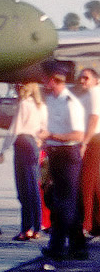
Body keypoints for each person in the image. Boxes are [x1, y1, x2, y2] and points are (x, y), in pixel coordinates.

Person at [40, 66, 88, 261]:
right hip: (55, 154)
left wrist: (51, 135)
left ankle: (57, 247)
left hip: (68, 154)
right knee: (66, 201)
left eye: (46, 78)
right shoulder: (50, 100)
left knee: (63, 203)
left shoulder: (71, 103)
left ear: (54, 79)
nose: (43, 81)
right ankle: (78, 247)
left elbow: (78, 134)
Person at [1, 80, 47, 241]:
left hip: (22, 142)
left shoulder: (25, 104)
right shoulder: (41, 106)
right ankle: (36, 227)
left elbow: (15, 127)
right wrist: (40, 141)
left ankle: (26, 228)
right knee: (34, 187)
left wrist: (3, 149)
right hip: (34, 143)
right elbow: (45, 127)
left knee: (23, 189)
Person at [77, 68, 100, 238]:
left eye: (86, 78)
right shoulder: (92, 93)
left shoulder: (94, 93)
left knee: (87, 182)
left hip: (94, 139)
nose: (83, 81)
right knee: (95, 183)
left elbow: (94, 118)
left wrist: (84, 142)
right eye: (81, 78)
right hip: (95, 138)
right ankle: (95, 223)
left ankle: (86, 223)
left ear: (96, 80)